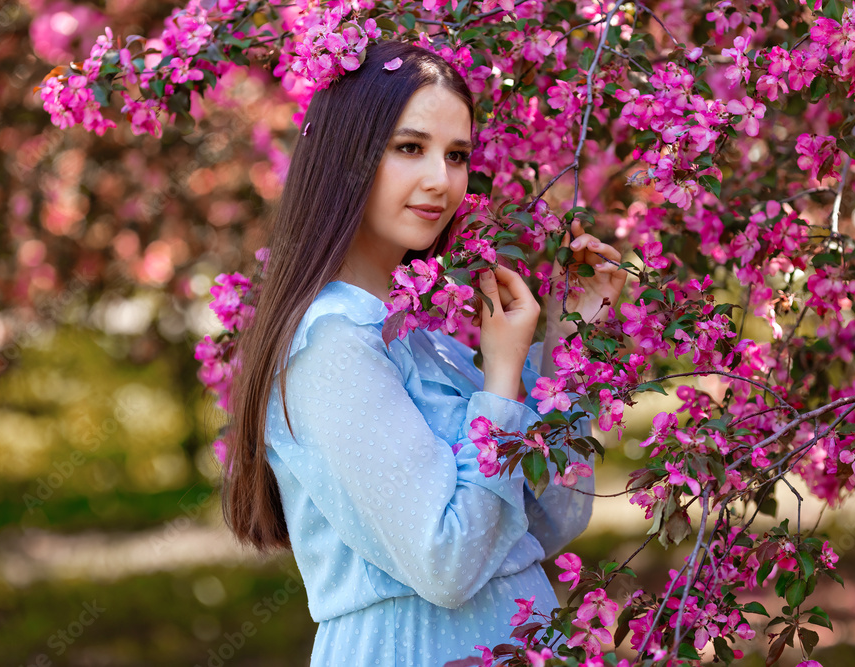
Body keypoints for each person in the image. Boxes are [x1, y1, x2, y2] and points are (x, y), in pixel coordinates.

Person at [220, 40, 627, 666]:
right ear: (347, 158)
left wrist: (573, 327)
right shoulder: (330, 344)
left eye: (457, 155)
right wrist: (498, 377)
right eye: (410, 148)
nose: (442, 180)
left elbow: (554, 517)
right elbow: (446, 566)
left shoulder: (420, 339)